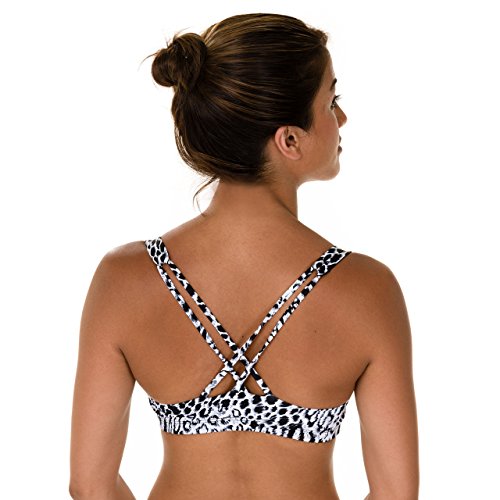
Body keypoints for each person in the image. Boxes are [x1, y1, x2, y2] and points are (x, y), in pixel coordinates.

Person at [69, 13, 419, 500]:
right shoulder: (367, 289)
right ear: (289, 139)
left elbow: (89, 485)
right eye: (331, 101)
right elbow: (396, 494)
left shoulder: (123, 279)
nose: (341, 119)